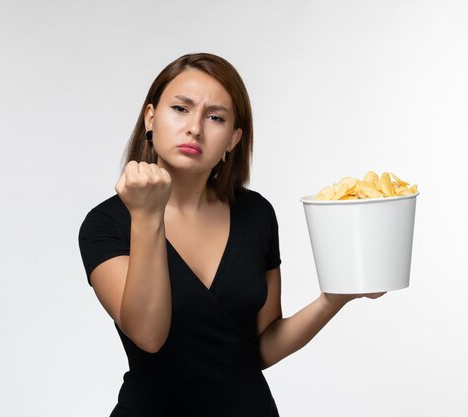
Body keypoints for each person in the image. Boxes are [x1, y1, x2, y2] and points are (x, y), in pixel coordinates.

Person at [78, 52, 385, 416]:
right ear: (150, 117)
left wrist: (333, 300)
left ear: (233, 139)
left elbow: (260, 348)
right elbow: (148, 334)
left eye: (215, 117)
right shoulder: (106, 224)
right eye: (180, 109)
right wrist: (146, 216)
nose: (195, 127)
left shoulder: (256, 213)